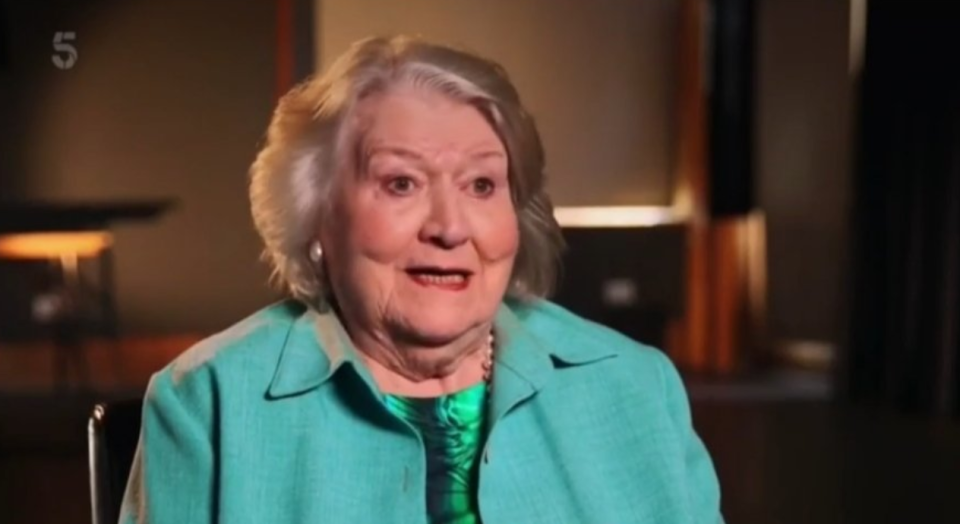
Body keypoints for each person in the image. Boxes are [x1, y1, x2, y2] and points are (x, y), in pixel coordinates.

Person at [120, 35, 723, 524]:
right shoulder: (206, 403)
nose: (450, 227)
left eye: (482, 185)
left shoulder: (636, 385)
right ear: (317, 214)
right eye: (401, 183)